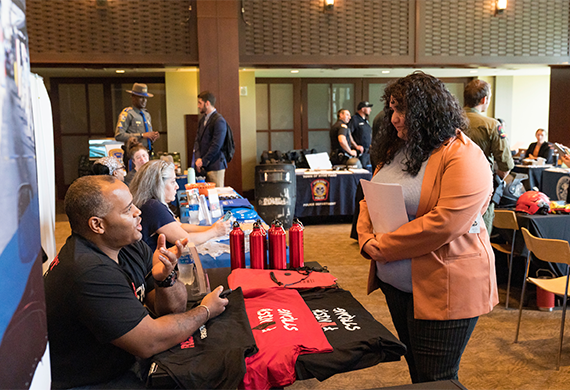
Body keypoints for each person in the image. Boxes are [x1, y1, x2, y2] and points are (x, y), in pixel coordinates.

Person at [358, 72, 497, 383]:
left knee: (437, 379)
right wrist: (365, 239)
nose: (393, 118)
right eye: (392, 109)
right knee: (418, 374)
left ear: (428, 111)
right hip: (398, 286)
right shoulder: (397, 150)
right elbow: (369, 198)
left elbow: (443, 224)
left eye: (403, 110)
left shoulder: (464, 156)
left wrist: (381, 248)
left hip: (445, 288)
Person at [44, 175, 228, 388]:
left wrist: (165, 279)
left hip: (121, 363)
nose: (137, 212)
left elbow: (171, 311)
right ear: (97, 225)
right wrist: (206, 310)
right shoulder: (88, 270)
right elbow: (150, 341)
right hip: (88, 381)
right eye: (127, 209)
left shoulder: (129, 244)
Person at [130, 159, 231, 252]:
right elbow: (187, 241)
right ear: (158, 185)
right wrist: (215, 232)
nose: (177, 186)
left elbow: (180, 226)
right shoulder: (153, 207)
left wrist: (212, 228)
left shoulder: (150, 203)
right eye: (173, 182)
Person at [463, 79, 514, 234]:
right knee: (480, 236)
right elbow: (505, 164)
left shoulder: (449, 122)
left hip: (448, 186)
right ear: (484, 99)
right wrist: (495, 179)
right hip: (480, 188)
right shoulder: (492, 125)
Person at [193, 91, 228, 187]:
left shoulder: (219, 120)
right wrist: (198, 159)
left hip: (215, 165)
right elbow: (197, 141)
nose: (198, 106)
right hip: (204, 165)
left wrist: (203, 161)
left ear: (207, 103)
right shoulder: (202, 120)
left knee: (215, 196)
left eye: (200, 103)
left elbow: (216, 145)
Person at [115, 83, 160, 154]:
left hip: (147, 153)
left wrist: (153, 136)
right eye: (141, 97)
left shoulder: (146, 114)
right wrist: (141, 135)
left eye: (145, 98)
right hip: (134, 154)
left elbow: (147, 135)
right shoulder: (128, 113)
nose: (144, 100)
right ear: (133, 97)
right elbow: (119, 136)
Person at [349, 101, 374, 168]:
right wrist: (355, 145)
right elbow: (348, 133)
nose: (370, 110)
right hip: (360, 152)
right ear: (363, 109)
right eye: (368, 108)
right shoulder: (355, 119)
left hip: (367, 152)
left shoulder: (365, 121)